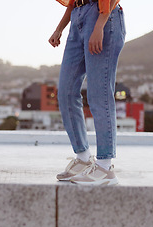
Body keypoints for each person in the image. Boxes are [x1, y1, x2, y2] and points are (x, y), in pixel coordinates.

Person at [49, 0, 125, 185]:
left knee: (99, 94)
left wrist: (100, 24)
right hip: (78, 15)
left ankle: (105, 167)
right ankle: (83, 157)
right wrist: (60, 28)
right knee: (66, 92)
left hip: (102, 15)